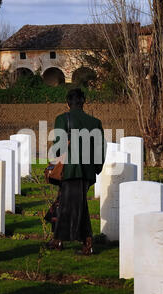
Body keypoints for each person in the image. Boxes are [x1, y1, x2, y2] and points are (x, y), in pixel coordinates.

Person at [47, 88, 106, 255]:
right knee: (70, 204)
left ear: (67, 103)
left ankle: (85, 243)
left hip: (70, 170)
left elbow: (58, 147)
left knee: (70, 206)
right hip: (86, 171)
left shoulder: (62, 119)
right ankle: (59, 240)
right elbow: (100, 149)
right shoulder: (95, 122)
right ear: (83, 102)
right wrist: (96, 168)